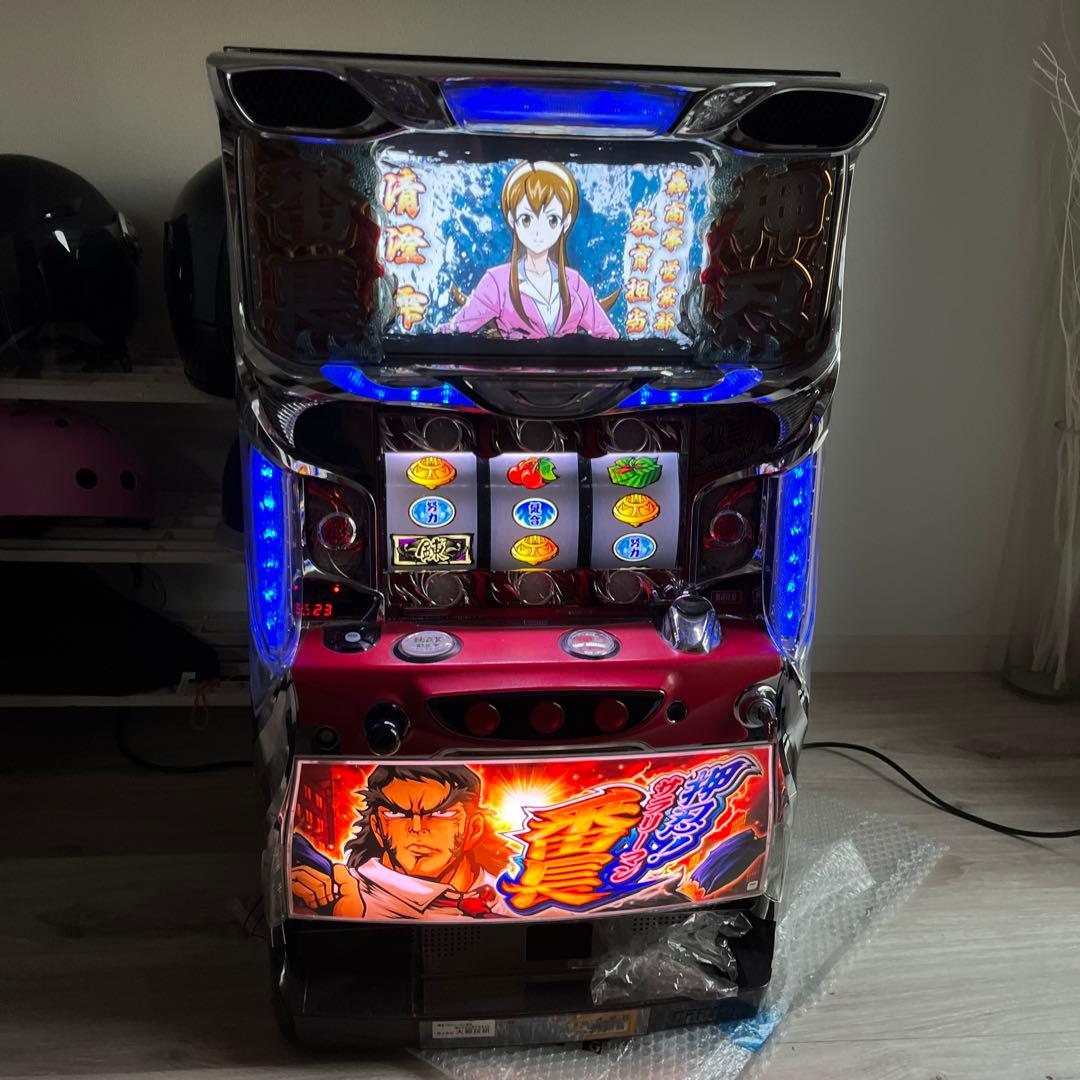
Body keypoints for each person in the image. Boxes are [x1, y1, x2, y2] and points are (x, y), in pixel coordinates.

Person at [291, 764, 512, 920]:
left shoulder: (511, 896)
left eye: (440, 813)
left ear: (473, 828)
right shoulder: (344, 890)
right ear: (378, 827)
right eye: (397, 814)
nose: (416, 827)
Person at [439, 160, 618, 340]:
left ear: (565, 222)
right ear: (512, 219)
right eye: (526, 219)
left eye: (552, 220)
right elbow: (455, 330)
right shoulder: (497, 282)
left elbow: (609, 336)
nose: (538, 231)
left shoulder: (575, 283)